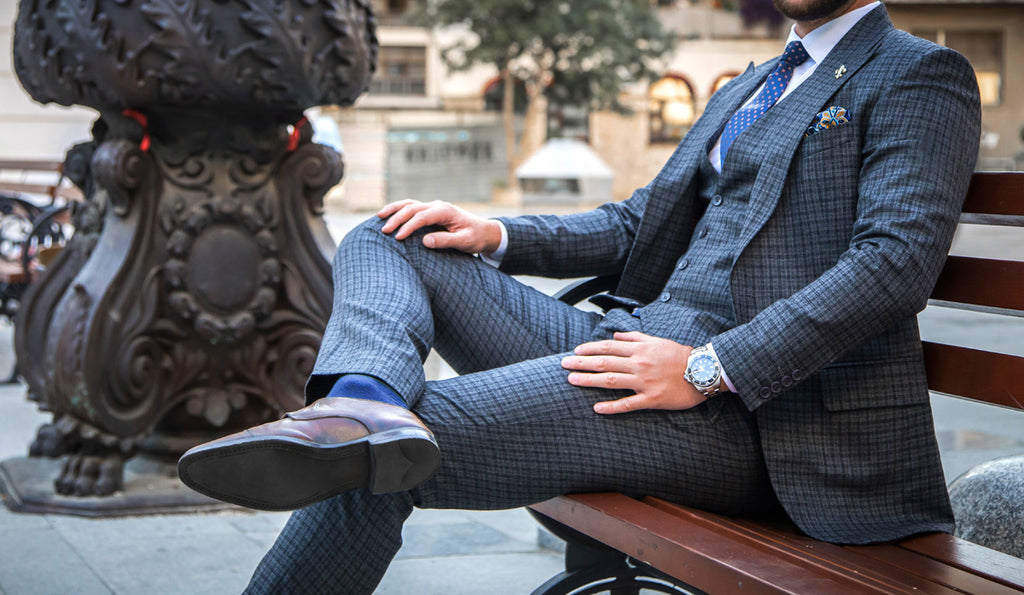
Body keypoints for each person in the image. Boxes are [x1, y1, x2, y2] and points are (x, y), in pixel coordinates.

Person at [177, 0, 981, 591]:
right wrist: (497, 234)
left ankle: (365, 431)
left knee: (385, 460)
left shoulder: (918, 74)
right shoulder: (751, 83)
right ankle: (360, 398)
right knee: (390, 237)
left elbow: (893, 264)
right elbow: (640, 223)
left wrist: (705, 366)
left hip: (755, 415)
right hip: (630, 348)